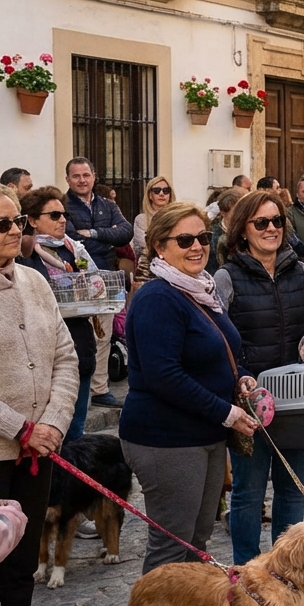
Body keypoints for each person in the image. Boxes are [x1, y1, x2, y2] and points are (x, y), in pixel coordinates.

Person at [120, 201, 260, 574]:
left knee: (197, 542)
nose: (197, 246)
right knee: (172, 546)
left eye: (203, 237)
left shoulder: (202, 290)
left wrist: (241, 377)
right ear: (159, 246)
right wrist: (227, 413)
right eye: (184, 240)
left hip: (206, 433)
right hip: (166, 438)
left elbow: (222, 351)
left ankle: (188, 604)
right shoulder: (157, 297)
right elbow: (163, 375)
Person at [213, 191, 304, 564]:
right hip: (250, 402)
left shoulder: (300, 271)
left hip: (297, 398)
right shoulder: (226, 277)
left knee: (292, 490)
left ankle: (286, 569)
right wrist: (240, 377)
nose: (271, 228)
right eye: (261, 222)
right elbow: (218, 339)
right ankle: (247, 571)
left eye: (277, 221)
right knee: (248, 492)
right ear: (243, 229)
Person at [0, 186, 78, 606]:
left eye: (16, 222)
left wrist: (52, 423)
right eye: (2, 225)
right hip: (0, 452)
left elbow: (65, 357)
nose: (15, 231)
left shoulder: (36, 281)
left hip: (38, 452)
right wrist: (20, 428)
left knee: (22, 565)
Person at [22, 187, 99, 442]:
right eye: (54, 215)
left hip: (79, 344)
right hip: (43, 353)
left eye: (64, 214)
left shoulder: (73, 249)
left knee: (76, 431)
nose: (63, 220)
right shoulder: (25, 256)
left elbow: (94, 284)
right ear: (33, 220)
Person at [64, 158, 132, 410]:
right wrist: (107, 239)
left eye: (86, 175)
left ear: (94, 176)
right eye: (76, 176)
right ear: (67, 179)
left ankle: (100, 389)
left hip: (105, 276)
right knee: (78, 338)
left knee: (104, 335)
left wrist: (93, 234)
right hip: (76, 280)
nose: (82, 180)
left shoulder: (108, 205)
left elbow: (125, 233)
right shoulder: (63, 205)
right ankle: (75, 390)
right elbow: (70, 238)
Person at [132, 176, 176, 260]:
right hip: (149, 262)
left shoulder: (178, 218)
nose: (161, 193)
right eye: (156, 190)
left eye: (166, 190)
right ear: (150, 195)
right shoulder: (141, 219)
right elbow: (144, 246)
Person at [208, 187, 247, 276]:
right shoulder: (211, 237)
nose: (241, 216)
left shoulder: (250, 232)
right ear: (223, 212)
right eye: (236, 211)